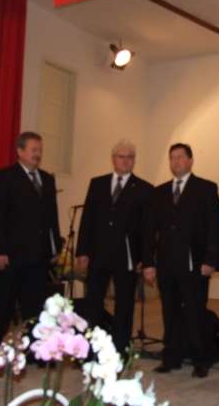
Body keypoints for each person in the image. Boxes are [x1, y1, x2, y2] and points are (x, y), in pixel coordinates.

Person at [0, 132, 62, 368]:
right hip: (11, 255)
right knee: (3, 305)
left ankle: (37, 352)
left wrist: (55, 247)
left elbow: (52, 217)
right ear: (20, 151)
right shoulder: (5, 177)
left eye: (40, 150)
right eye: (33, 149)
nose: (38, 154)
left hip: (39, 255)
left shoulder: (46, 179)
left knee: (35, 307)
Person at [142, 143, 219, 378]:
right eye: (172, 158)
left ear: (190, 160)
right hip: (167, 263)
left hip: (195, 263)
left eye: (180, 157)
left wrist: (211, 259)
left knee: (195, 312)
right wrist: (148, 263)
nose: (175, 161)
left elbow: (215, 227)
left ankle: (200, 359)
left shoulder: (206, 188)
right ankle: (171, 357)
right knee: (170, 311)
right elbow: (149, 230)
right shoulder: (159, 192)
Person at [76, 139, 153, 357]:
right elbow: (87, 220)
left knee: (124, 305)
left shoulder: (145, 189)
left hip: (127, 256)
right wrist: (82, 251)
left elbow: (148, 229)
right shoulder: (97, 183)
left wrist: (146, 259)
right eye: (121, 156)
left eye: (130, 157)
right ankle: (90, 350)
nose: (126, 161)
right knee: (93, 303)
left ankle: (120, 350)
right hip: (98, 254)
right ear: (113, 159)